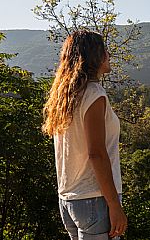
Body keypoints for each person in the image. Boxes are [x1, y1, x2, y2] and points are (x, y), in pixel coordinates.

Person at [42, 30, 127, 239]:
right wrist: (115, 205)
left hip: (69, 200)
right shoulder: (94, 94)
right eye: (104, 50)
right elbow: (96, 153)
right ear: (93, 56)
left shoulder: (66, 98)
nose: (109, 55)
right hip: (95, 199)